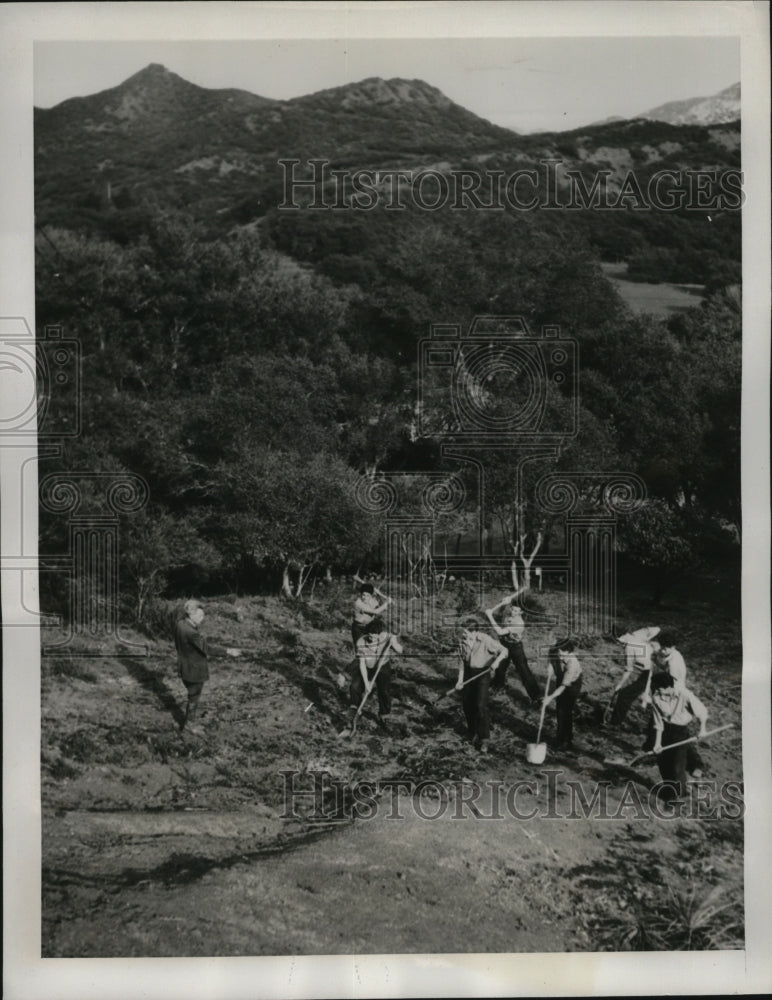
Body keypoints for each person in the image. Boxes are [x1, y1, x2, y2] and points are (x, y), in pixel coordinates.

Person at [173, 599, 241, 733]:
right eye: (200, 616)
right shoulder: (191, 633)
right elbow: (207, 648)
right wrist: (228, 651)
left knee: (192, 695)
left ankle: (189, 722)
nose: (202, 618)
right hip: (194, 669)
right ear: (190, 615)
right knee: (194, 697)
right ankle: (189, 725)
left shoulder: (179, 624)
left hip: (184, 665)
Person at [649, 671, 708, 802]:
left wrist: (702, 728)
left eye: (663, 691)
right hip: (665, 730)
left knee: (677, 765)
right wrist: (657, 743)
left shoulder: (684, 694)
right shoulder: (656, 698)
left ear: (670, 687)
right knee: (663, 763)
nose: (661, 695)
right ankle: (670, 790)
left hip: (681, 731)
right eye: (658, 691)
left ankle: (680, 795)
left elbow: (701, 711)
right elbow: (658, 722)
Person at [455, 617, 508, 753]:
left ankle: (484, 738)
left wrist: (496, 662)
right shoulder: (462, 641)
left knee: (480, 705)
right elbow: (461, 661)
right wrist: (460, 680)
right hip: (468, 673)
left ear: (474, 632)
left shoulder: (485, 639)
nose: (464, 635)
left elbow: (504, 651)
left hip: (482, 674)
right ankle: (472, 732)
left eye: (466, 632)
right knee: (467, 704)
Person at [484, 591, 540, 702]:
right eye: (512, 609)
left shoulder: (519, 623)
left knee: (523, 670)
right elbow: (506, 604)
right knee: (500, 668)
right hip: (504, 644)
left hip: (515, 647)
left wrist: (490, 616)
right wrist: (506, 600)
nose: (513, 612)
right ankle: (497, 687)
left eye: (516, 611)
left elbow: (500, 632)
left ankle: (536, 696)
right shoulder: (507, 611)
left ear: (521, 612)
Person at [349, 629, 403, 731]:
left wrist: (394, 643)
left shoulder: (387, 636)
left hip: (382, 666)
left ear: (379, 635)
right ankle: (356, 712)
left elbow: (400, 650)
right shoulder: (361, 642)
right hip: (367, 666)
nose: (371, 638)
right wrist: (366, 683)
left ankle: (384, 714)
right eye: (369, 635)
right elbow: (361, 664)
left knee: (384, 691)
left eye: (374, 636)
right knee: (355, 686)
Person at [609, 626, 661, 726]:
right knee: (657, 698)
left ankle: (614, 724)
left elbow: (629, 669)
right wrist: (647, 639)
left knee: (624, 696)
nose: (619, 644)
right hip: (655, 669)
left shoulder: (628, 647)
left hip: (651, 672)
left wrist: (620, 684)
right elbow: (657, 629)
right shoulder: (638, 634)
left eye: (619, 641)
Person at [544, 639, 583, 750]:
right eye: (558, 653)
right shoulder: (555, 650)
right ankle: (559, 737)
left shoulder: (572, 664)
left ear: (568, 652)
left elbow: (563, 687)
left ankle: (566, 741)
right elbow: (550, 654)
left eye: (561, 654)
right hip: (561, 678)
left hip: (572, 684)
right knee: (559, 708)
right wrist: (550, 667)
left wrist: (549, 698)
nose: (559, 656)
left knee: (565, 710)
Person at [351, 582, 392, 650]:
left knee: (370, 648)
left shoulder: (373, 601)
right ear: (360, 594)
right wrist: (387, 603)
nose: (365, 597)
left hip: (369, 627)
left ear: (371, 596)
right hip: (358, 628)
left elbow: (383, 607)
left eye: (367, 595)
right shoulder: (358, 603)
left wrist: (379, 594)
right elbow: (376, 611)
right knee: (359, 649)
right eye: (363, 595)